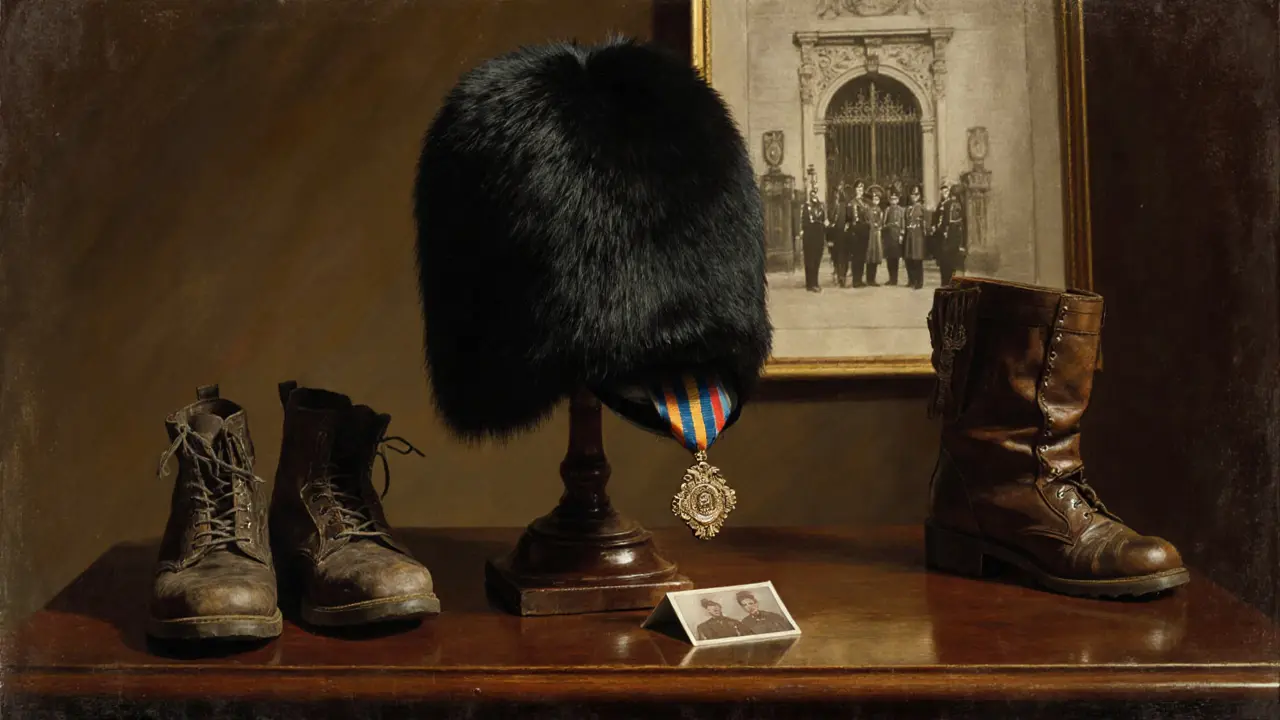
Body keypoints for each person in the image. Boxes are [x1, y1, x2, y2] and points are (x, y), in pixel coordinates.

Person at [936, 183, 967, 285]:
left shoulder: (946, 204)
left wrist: (941, 231)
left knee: (946, 263)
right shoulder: (963, 206)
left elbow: (943, 223)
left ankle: (945, 282)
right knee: (955, 262)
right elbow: (964, 224)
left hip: (948, 237)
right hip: (958, 237)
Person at [800, 186, 827, 292]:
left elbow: (824, 220)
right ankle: (810, 283)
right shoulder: (806, 207)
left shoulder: (821, 207)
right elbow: (804, 222)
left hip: (819, 235)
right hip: (809, 236)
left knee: (817, 260)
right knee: (809, 260)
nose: (814, 196)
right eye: (812, 194)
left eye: (815, 194)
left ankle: (815, 282)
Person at [903, 184, 927, 289]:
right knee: (909, 259)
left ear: (920, 196)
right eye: (912, 194)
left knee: (917, 260)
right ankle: (911, 280)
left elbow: (925, 222)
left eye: (916, 194)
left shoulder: (922, 207)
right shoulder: (908, 209)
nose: (914, 196)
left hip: (918, 237)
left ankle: (919, 282)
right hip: (909, 236)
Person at [847, 180, 870, 288]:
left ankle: (860, 279)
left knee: (862, 256)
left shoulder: (865, 203)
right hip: (855, 232)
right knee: (856, 257)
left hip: (864, 232)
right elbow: (849, 219)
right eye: (858, 189)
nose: (860, 191)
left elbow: (867, 218)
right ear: (855, 190)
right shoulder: (852, 203)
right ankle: (856, 280)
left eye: (861, 189)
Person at [882, 187, 905, 286]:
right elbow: (884, 223)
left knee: (895, 258)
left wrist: (901, 234)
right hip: (889, 237)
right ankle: (890, 278)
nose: (893, 201)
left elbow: (903, 223)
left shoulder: (901, 210)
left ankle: (895, 278)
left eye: (895, 199)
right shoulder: (887, 210)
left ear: (898, 200)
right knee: (889, 258)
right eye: (892, 199)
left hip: (897, 237)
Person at [862, 185, 884, 286]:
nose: (876, 200)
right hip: (869, 234)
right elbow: (866, 220)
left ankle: (873, 279)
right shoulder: (867, 209)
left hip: (876, 235)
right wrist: (871, 224)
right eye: (874, 198)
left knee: (875, 257)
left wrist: (878, 225)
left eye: (877, 198)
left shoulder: (880, 210)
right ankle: (868, 279)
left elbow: (881, 221)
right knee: (869, 256)